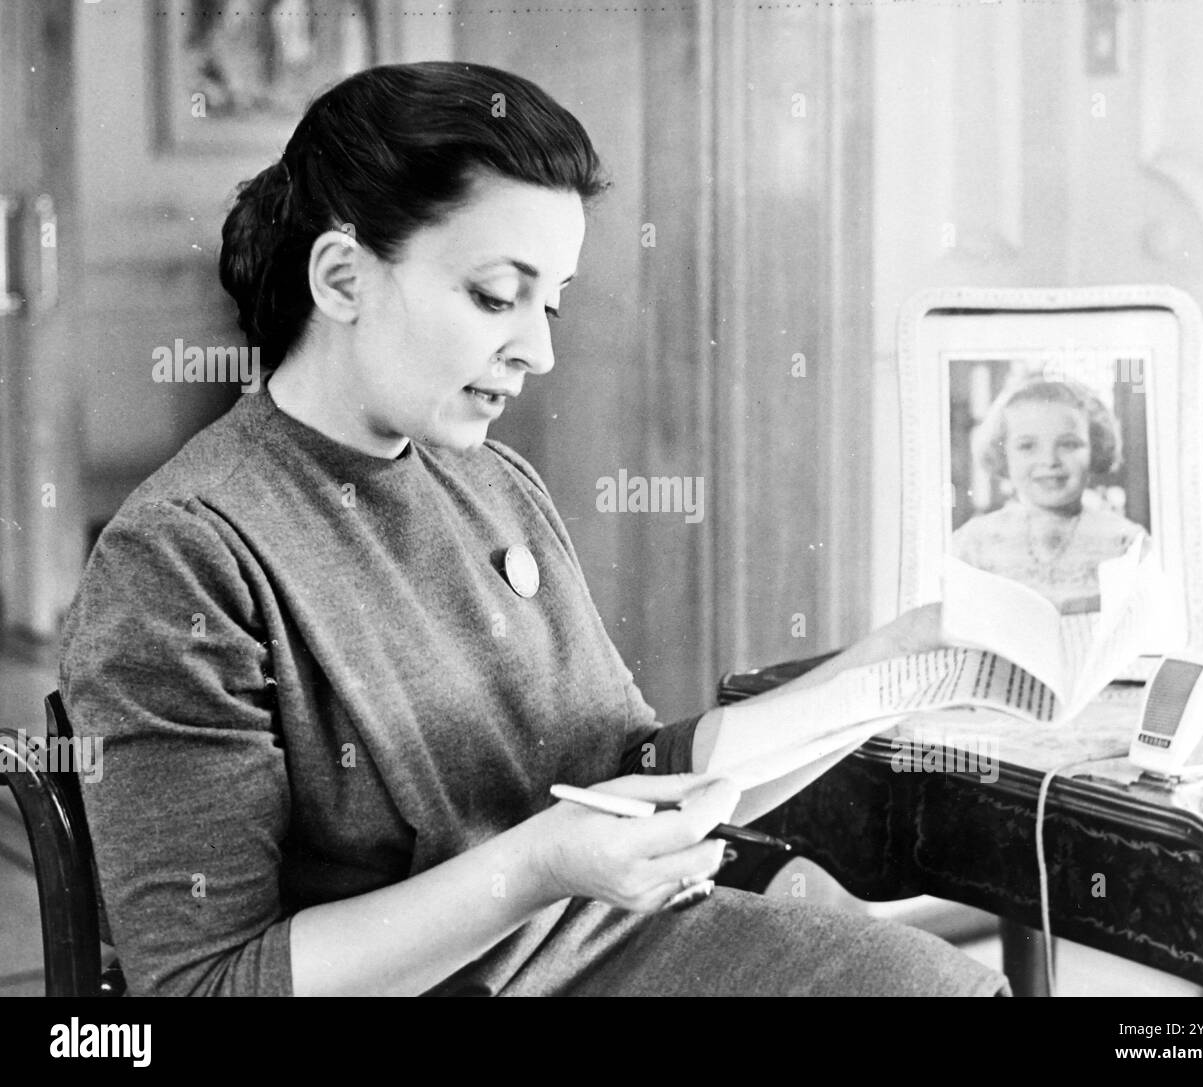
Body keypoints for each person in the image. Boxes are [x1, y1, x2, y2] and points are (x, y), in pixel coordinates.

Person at [58, 61, 1008, 997]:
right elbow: (207, 985)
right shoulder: (181, 558)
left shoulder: (493, 479)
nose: (540, 350)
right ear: (342, 277)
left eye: (549, 300)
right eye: (494, 296)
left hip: (616, 941)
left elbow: (629, 772)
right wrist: (542, 866)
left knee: (936, 985)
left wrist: (897, 666)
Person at [950, 376, 1147, 613]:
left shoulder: (1125, 542)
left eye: (1068, 444)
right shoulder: (974, 543)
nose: (1049, 461)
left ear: (1095, 448)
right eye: (1027, 446)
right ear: (1003, 453)